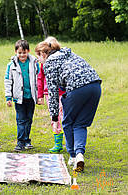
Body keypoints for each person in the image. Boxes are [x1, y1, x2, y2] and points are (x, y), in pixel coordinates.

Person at [35, 36, 101, 172]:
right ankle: (79, 155)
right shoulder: (68, 53)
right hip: (95, 86)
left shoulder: (49, 63)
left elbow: (52, 93)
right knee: (80, 124)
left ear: (43, 54)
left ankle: (72, 156)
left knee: (67, 121)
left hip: (77, 89)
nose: (38, 60)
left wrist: (54, 117)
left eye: (38, 57)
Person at [4, 40, 39, 152]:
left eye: (24, 52)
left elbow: (39, 79)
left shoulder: (34, 63)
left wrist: (40, 95)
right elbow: (8, 81)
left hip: (31, 97)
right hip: (19, 98)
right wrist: (8, 97)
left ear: (28, 51)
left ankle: (27, 140)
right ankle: (20, 142)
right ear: (15, 52)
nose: (22, 55)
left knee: (29, 119)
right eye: (19, 53)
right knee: (20, 120)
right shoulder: (11, 65)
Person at [37, 37, 65, 153]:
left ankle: (69, 141)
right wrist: (40, 95)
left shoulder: (60, 60)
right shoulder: (44, 63)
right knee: (54, 117)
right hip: (49, 93)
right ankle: (58, 143)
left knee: (64, 116)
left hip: (63, 94)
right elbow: (40, 78)